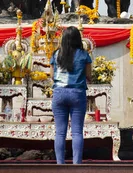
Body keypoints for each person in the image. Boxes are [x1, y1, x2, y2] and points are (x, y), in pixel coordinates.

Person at [49, 26, 92, 164]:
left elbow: (51, 75)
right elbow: (89, 75)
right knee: (77, 132)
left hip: (59, 94)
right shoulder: (84, 55)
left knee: (60, 133)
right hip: (77, 94)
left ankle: (60, 165)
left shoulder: (56, 54)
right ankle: (76, 165)